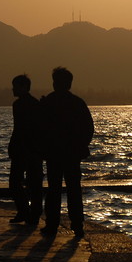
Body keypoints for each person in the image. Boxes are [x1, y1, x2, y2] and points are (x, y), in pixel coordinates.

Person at [41, 67, 94, 238]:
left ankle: (52, 224)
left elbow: (39, 129)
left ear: (55, 82)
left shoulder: (48, 102)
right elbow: (88, 129)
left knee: (54, 190)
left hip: (54, 153)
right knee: (73, 190)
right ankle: (77, 225)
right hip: (71, 154)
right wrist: (81, 146)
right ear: (70, 83)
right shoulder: (77, 103)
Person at [9, 74, 46, 225]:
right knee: (22, 183)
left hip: (30, 149)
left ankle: (31, 213)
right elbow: (17, 128)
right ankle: (26, 212)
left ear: (24, 87)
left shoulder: (31, 105)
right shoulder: (21, 105)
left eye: (15, 86)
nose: (13, 89)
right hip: (23, 148)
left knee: (32, 183)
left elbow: (30, 129)